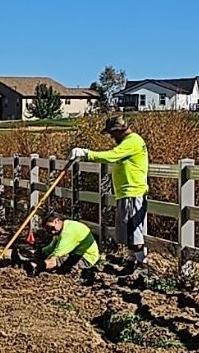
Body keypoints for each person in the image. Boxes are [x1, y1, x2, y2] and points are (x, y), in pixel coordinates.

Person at [73, 114, 149, 273]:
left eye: (112, 133)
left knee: (134, 231)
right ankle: (131, 262)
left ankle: (141, 265)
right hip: (125, 193)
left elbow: (111, 155)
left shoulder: (132, 142)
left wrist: (87, 153)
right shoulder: (129, 142)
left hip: (133, 192)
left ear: (119, 130)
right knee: (127, 231)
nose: (112, 137)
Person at [29, 208, 101, 283]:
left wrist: (39, 264)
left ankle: (35, 268)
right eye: (48, 230)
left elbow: (56, 254)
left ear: (56, 221)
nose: (51, 232)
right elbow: (51, 247)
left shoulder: (67, 233)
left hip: (86, 258)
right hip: (75, 253)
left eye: (50, 228)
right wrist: (39, 253)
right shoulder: (63, 227)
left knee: (57, 261)